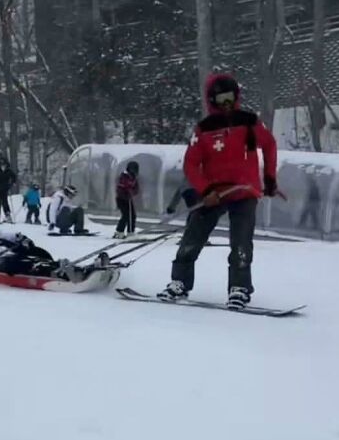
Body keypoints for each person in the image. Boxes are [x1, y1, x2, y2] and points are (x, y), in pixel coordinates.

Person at [158, 72, 278, 310]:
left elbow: (270, 145)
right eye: (221, 99)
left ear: (237, 96)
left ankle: (240, 288)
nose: (227, 103)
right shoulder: (204, 129)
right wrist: (206, 190)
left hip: (244, 193)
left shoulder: (249, 122)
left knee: (241, 243)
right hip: (214, 195)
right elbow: (191, 164)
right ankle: (179, 282)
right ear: (211, 100)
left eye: (230, 97)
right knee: (192, 237)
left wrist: (269, 178)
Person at [114, 161, 140, 238]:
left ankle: (130, 231)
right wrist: (126, 191)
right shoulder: (124, 176)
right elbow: (121, 187)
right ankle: (119, 231)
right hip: (121, 199)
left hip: (128, 199)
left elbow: (136, 188)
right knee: (125, 215)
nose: (133, 171)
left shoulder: (134, 178)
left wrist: (133, 192)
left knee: (132, 215)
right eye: (131, 169)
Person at [0, 157, 17, 224]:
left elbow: (14, 177)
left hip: (5, 188)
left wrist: (12, 183)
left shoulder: (9, 171)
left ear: (6, 164)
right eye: (1, 164)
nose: (2, 165)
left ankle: (8, 216)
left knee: (4, 202)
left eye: (4, 164)